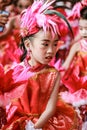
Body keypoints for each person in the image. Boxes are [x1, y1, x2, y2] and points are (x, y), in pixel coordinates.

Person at [0, 0, 79, 129]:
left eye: (55, 44)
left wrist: (35, 127)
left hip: (42, 124)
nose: (51, 50)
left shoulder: (53, 74)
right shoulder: (15, 70)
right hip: (17, 122)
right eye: (45, 44)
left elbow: (50, 108)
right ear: (28, 45)